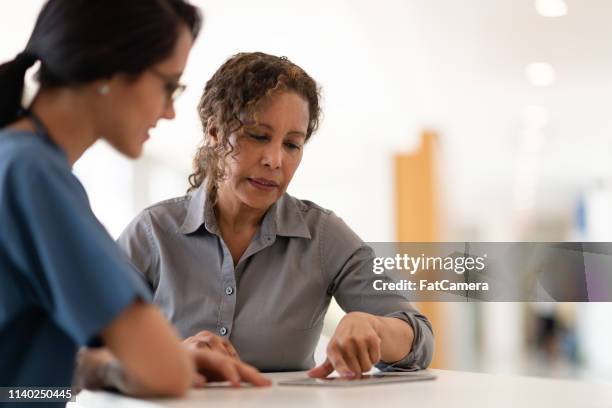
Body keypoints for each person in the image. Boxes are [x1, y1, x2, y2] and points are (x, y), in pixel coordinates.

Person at [0, 0, 269, 404]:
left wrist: (109, 368)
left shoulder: (14, 158)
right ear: (109, 69)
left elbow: (20, 383)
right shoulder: (33, 176)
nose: (170, 111)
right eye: (168, 86)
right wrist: (165, 360)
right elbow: (164, 373)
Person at [118, 52, 434, 378]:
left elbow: (419, 336)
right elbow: (87, 350)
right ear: (214, 132)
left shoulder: (323, 236)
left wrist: (375, 327)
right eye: (258, 136)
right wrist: (169, 356)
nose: (274, 159)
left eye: (292, 145)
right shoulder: (152, 232)